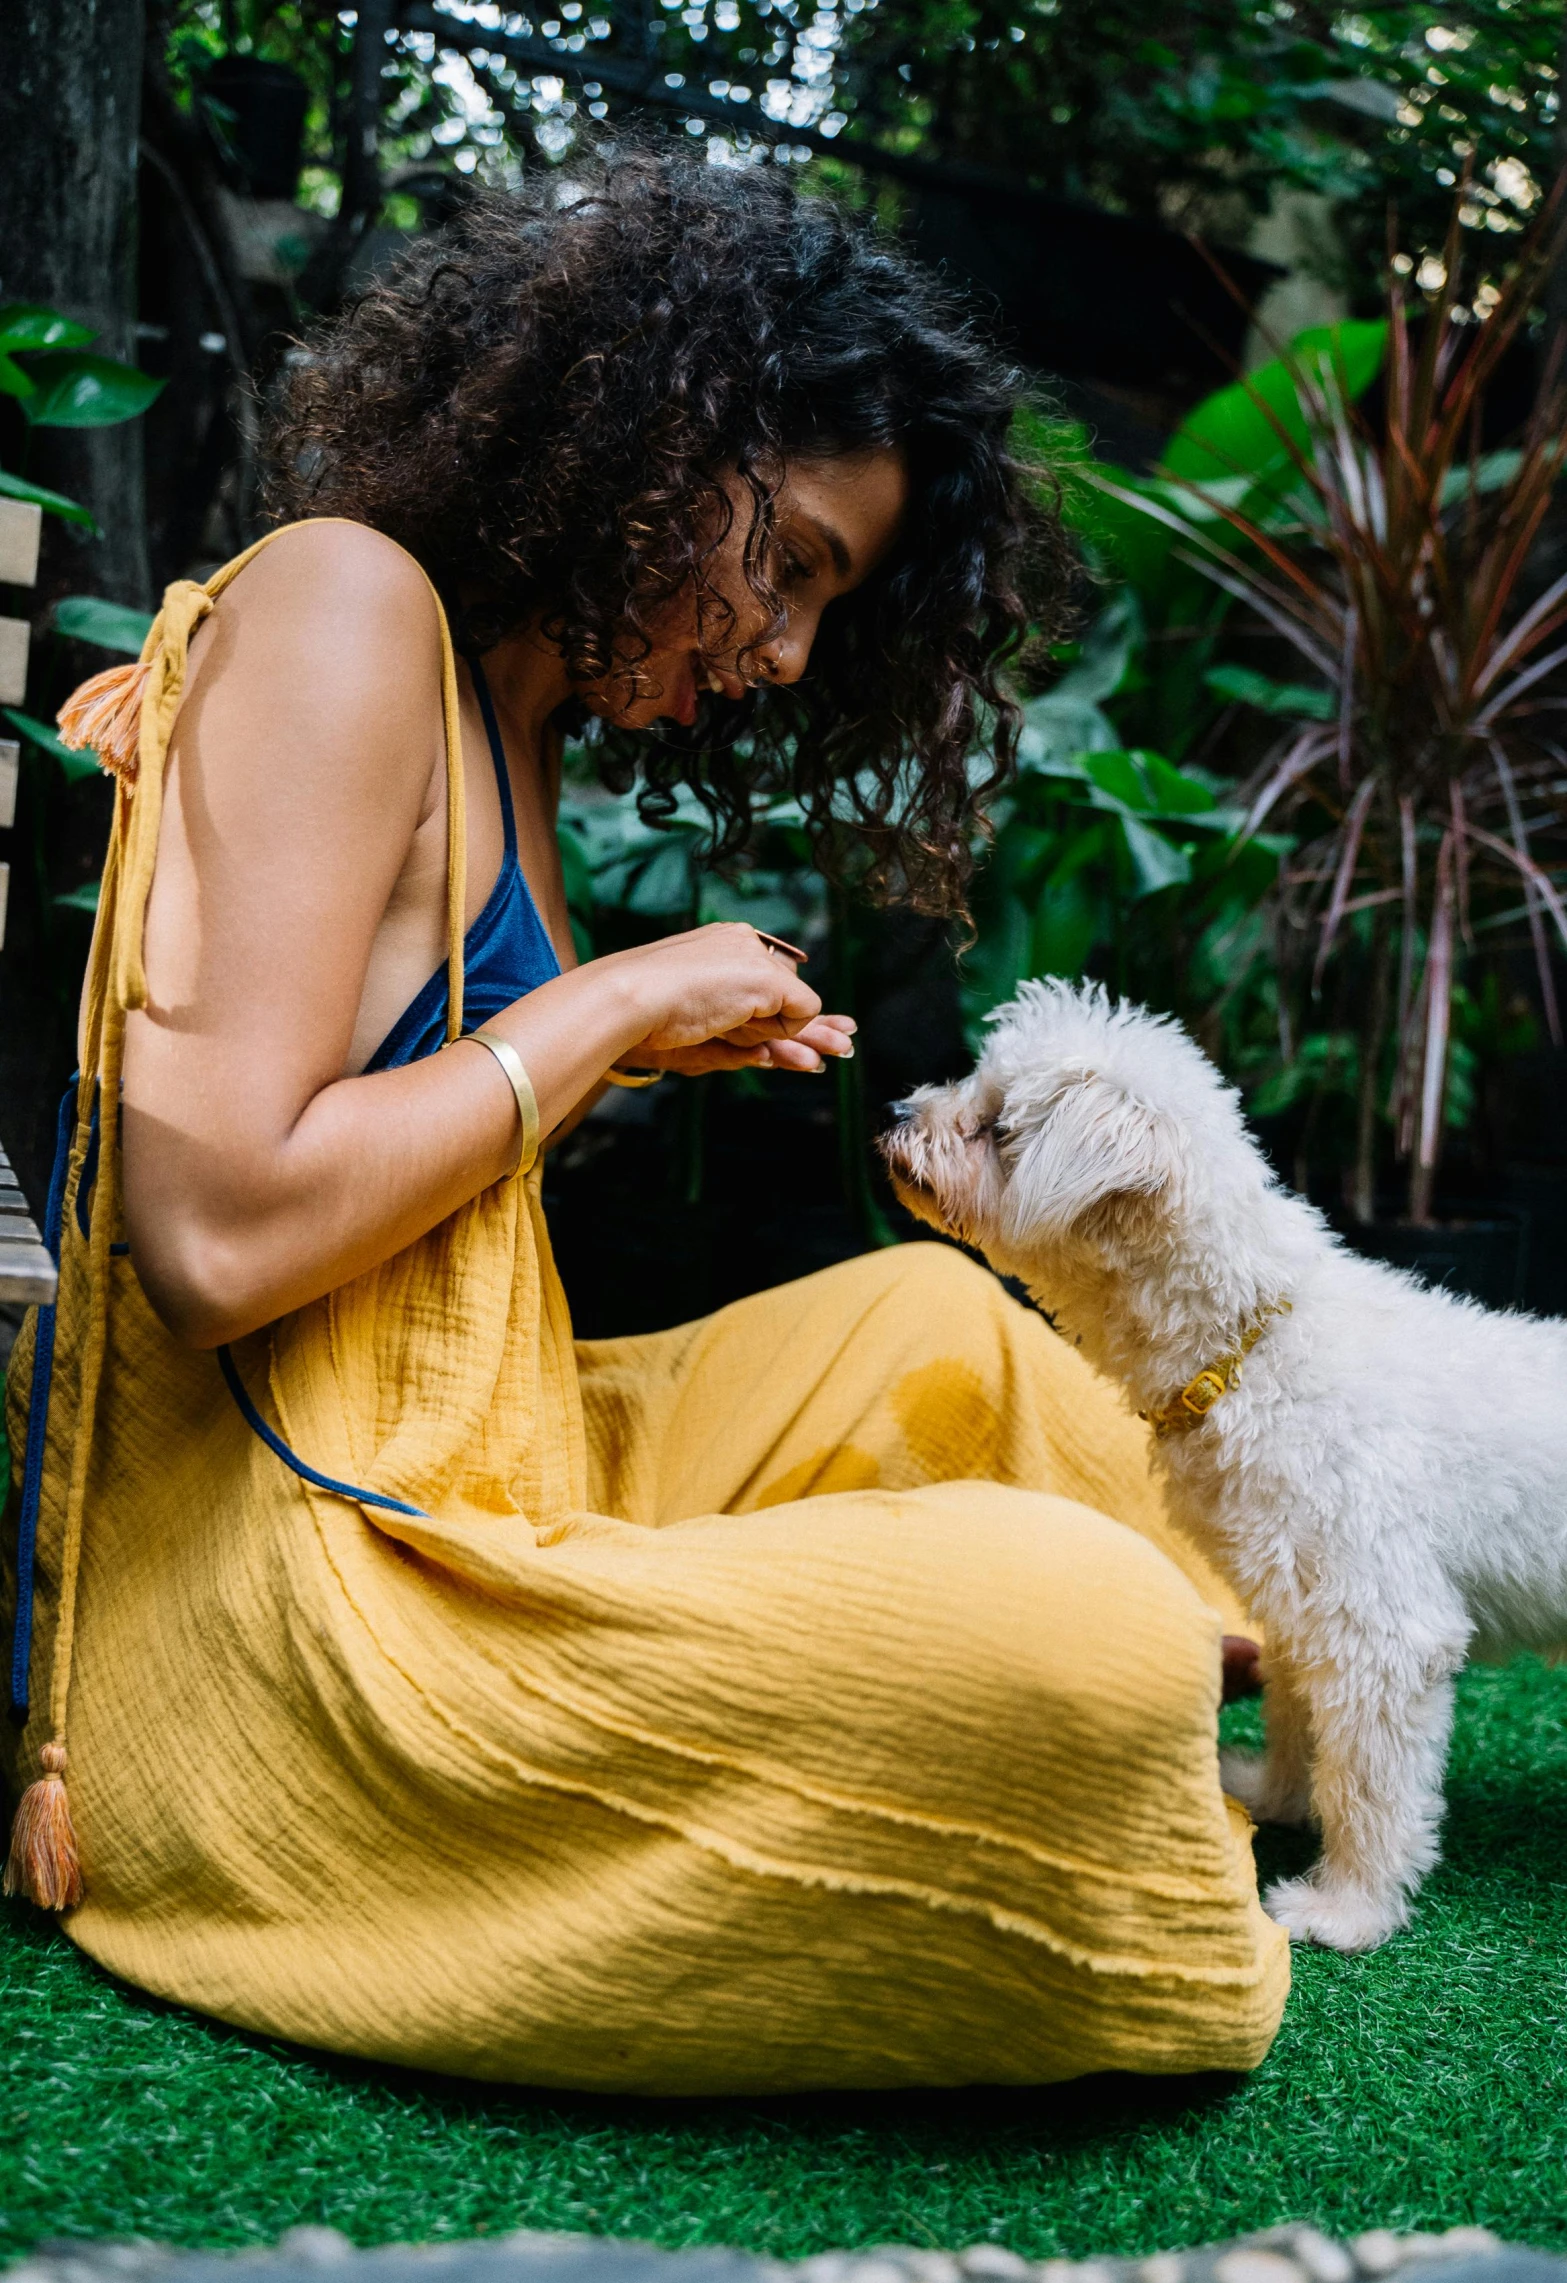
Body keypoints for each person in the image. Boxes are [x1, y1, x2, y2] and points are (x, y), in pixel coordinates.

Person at [3, 150, 1286, 2091]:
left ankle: (1308, 1709)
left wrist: (601, 1045)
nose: (779, 652)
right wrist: (607, 1005)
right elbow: (210, 1238)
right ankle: (1134, 1727)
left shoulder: (514, 714)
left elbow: (406, 1128)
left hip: (500, 1460)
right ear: (644, 432)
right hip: (312, 1606)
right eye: (785, 565)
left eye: (822, 612)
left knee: (937, 1331)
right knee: (1085, 1630)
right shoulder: (348, 608)